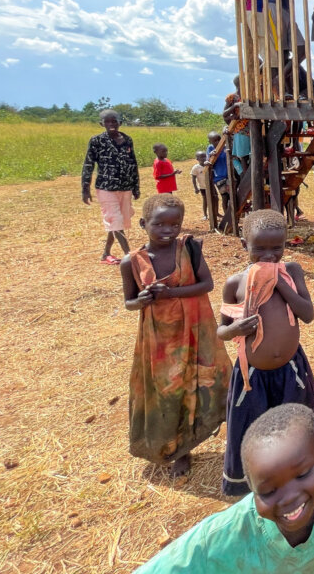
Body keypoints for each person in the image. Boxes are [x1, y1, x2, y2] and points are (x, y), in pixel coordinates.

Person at [136, 404, 314, 574]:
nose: (289, 497)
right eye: (268, 491)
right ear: (251, 487)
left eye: (303, 474)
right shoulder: (226, 534)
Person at [120, 194, 230, 477]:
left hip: (197, 332)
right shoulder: (132, 261)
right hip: (162, 342)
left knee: (210, 383)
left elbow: (206, 284)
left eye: (175, 224)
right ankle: (178, 449)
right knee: (170, 392)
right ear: (144, 223)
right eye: (160, 224)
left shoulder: (189, 249)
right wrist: (142, 299)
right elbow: (129, 302)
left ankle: (234, 439)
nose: (168, 230)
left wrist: (171, 293)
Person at [218, 210, 314, 496]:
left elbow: (307, 314)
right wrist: (237, 327)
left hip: (291, 372)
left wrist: (282, 285)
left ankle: (298, 480)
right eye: (259, 248)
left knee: (294, 429)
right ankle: (258, 489)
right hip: (253, 377)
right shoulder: (235, 283)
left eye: (277, 247)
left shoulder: (293, 271)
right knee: (254, 432)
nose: (269, 255)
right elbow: (221, 331)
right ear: (243, 244)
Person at [81, 109, 139, 264]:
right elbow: (88, 164)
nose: (111, 124)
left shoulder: (127, 140)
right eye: (107, 121)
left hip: (125, 187)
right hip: (106, 187)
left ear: (120, 122)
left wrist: (136, 186)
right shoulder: (96, 141)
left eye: (114, 121)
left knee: (120, 221)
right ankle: (130, 256)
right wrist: (85, 188)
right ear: (102, 124)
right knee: (115, 220)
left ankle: (106, 253)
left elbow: (133, 163)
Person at [223, 75, 252, 175]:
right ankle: (246, 174)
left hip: (252, 127)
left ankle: (249, 172)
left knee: (252, 152)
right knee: (243, 155)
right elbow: (224, 114)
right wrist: (234, 106)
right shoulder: (232, 98)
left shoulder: (249, 96)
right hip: (241, 129)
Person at [207, 130, 231, 231]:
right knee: (225, 197)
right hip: (219, 178)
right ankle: (227, 217)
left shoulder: (225, 146)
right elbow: (208, 161)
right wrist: (211, 155)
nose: (217, 142)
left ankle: (231, 216)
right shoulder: (211, 148)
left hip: (229, 175)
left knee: (232, 197)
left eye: (218, 139)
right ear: (210, 141)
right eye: (214, 140)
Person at [190, 150, 209, 219]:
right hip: (203, 187)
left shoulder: (208, 164)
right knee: (205, 200)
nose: (204, 158)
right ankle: (205, 215)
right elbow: (193, 178)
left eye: (205, 156)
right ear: (197, 159)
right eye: (201, 157)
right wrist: (195, 188)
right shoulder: (196, 168)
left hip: (210, 186)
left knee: (215, 200)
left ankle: (216, 213)